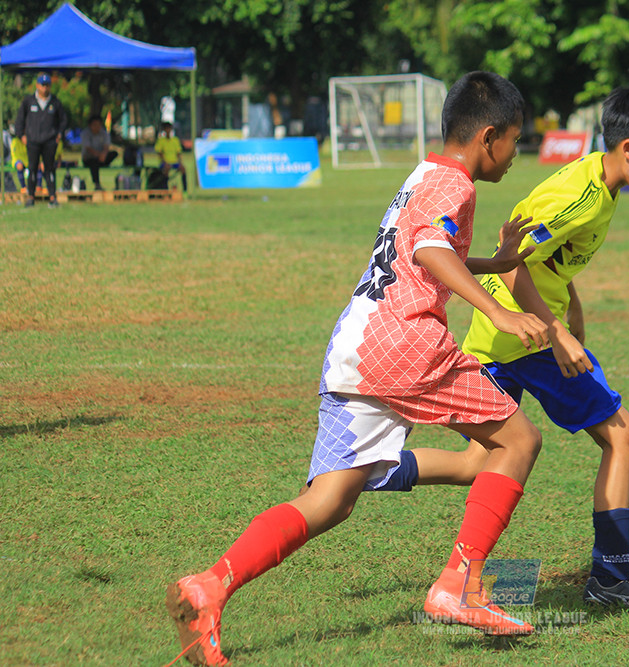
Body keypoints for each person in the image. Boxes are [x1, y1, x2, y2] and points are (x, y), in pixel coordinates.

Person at [166, 71, 552, 667]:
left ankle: (210, 586)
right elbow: (426, 248)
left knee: (331, 499)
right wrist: (496, 310)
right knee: (519, 440)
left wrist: (490, 262)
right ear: (488, 136)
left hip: (353, 342)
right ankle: (457, 585)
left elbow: (416, 246)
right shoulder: (458, 185)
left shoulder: (424, 173)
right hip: (404, 344)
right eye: (515, 142)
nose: (515, 155)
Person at [376, 70, 629, 608]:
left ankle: (374, 470)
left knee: (482, 461)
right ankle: (611, 580)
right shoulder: (582, 196)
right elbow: (510, 265)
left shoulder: (596, 186)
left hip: (500, 336)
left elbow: (546, 259)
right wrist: (556, 334)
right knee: (624, 437)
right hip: (526, 337)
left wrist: (571, 305)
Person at [14, 73, 68, 208]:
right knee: (32, 168)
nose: (45, 88)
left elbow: (64, 120)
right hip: (33, 141)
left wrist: (59, 134)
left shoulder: (55, 102)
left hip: (49, 141)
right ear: (37, 86)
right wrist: (22, 135)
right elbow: (19, 120)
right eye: (42, 85)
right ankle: (31, 197)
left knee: (49, 169)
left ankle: (52, 197)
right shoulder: (28, 101)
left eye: (47, 85)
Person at [80, 114, 118, 190]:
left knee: (114, 153)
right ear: (90, 125)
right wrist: (99, 155)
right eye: (94, 125)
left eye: (98, 125)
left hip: (102, 158)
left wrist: (103, 154)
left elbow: (106, 147)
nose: (97, 127)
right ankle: (97, 184)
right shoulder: (85, 133)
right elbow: (88, 148)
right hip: (90, 158)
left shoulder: (104, 133)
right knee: (93, 162)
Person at [155, 121, 187, 192]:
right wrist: (165, 162)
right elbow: (160, 153)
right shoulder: (161, 140)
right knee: (166, 169)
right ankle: (165, 190)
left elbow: (178, 152)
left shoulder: (175, 140)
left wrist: (180, 162)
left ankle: (185, 190)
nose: (168, 130)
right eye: (166, 129)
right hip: (165, 162)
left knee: (183, 169)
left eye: (169, 128)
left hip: (174, 162)